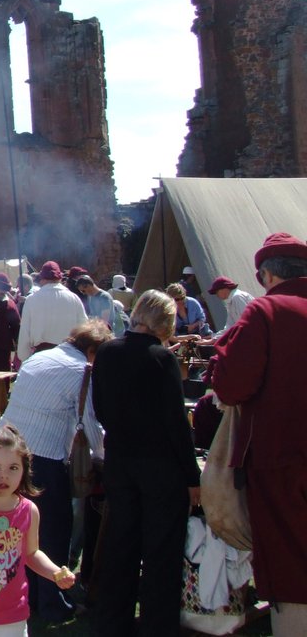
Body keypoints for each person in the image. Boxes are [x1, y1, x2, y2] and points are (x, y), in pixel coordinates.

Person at [211, 232, 307, 635]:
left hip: (281, 460)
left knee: (290, 562)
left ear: (267, 275)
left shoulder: (264, 312)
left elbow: (231, 386)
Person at [91, 289, 199, 636]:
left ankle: (113, 623)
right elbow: (176, 422)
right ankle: (157, 626)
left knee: (120, 546)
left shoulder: (107, 351)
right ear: (164, 323)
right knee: (161, 554)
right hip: (160, 469)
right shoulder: (161, 359)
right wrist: (192, 475)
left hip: (121, 461)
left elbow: (100, 407)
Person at [0, 319, 110, 622]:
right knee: (52, 534)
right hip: (43, 458)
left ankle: (25, 594)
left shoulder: (41, 356)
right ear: (91, 350)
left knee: (17, 530)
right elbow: (90, 424)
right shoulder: (81, 372)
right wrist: (102, 454)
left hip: (8, 449)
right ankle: (51, 602)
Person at [0, 425, 76, 636]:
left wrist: (54, 572)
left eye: (13, 468)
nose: (3, 476)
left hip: (11, 617)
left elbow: (31, 553)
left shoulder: (29, 510)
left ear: (24, 471)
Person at [17, 261, 87, 363]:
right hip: (68, 357)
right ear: (59, 278)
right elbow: (83, 328)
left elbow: (25, 331)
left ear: (42, 279)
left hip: (41, 358)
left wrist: (25, 358)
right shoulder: (73, 298)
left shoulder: (32, 300)